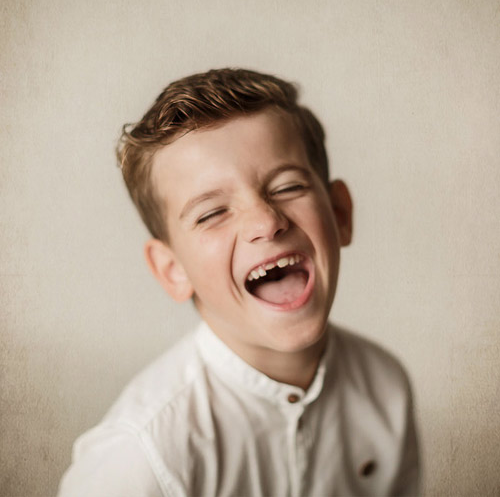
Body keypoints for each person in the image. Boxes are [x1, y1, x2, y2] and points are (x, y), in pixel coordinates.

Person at [58, 68, 419, 496]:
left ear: (339, 213)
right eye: (211, 213)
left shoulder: (386, 386)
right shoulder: (138, 460)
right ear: (173, 270)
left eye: (287, 186)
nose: (266, 222)